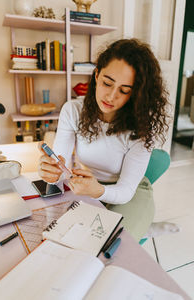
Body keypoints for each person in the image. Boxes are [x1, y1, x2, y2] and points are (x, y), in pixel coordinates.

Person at [38, 38, 179, 242]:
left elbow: (125, 191)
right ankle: (141, 227)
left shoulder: (141, 129)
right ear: (96, 75)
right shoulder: (73, 111)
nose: (111, 96)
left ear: (136, 94)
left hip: (128, 193)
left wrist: (99, 191)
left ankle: (143, 224)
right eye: (107, 83)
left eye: (124, 91)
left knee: (110, 245)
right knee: (70, 238)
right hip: (88, 185)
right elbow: (61, 168)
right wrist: (51, 173)